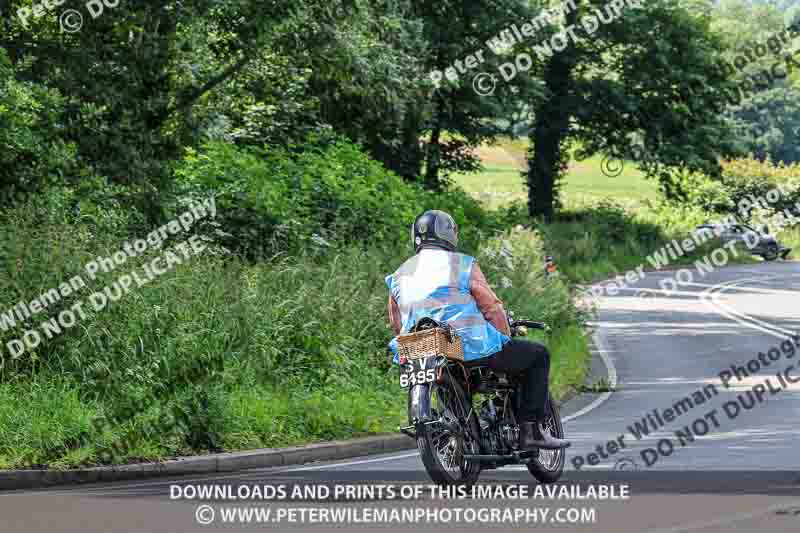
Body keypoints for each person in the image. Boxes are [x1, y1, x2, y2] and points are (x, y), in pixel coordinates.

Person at [385, 210, 570, 450]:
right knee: (538, 355)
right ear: (449, 234)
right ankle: (531, 431)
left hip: (421, 348)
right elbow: (490, 306)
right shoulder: (462, 264)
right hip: (468, 345)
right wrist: (504, 337)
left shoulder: (399, 274)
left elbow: (396, 321)